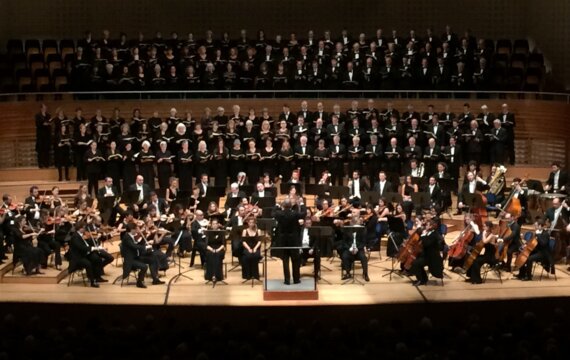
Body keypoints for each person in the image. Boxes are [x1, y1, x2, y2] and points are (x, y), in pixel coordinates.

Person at [274, 198, 306, 284]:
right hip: (294, 240)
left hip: (283, 240)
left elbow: (273, 213)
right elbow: (303, 214)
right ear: (291, 205)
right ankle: (296, 279)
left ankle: (287, 280)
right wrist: (302, 204)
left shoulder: (279, 213)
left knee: (285, 261)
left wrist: (277, 206)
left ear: (283, 205)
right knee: (295, 260)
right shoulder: (294, 213)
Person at [67, 221, 105, 288]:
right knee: (88, 263)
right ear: (80, 228)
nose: (85, 229)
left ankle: (96, 277)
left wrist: (95, 248)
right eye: (84, 228)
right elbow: (81, 247)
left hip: (82, 254)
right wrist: (93, 248)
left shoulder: (80, 235)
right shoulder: (75, 237)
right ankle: (92, 282)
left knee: (96, 258)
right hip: (76, 257)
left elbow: (84, 246)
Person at [409, 218, 444, 286]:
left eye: (427, 225)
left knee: (415, 263)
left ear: (431, 226)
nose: (426, 226)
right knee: (415, 261)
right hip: (427, 255)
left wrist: (423, 235)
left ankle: (421, 280)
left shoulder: (434, 234)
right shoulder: (429, 233)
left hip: (432, 258)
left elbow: (426, 244)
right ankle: (423, 279)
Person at [339, 209, 370, 281]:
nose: (353, 214)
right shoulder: (347, 227)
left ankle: (365, 273)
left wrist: (357, 248)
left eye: (355, 213)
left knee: (363, 257)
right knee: (344, 255)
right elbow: (344, 241)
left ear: (359, 216)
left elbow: (364, 241)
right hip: (349, 248)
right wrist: (350, 248)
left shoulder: (363, 228)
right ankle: (347, 273)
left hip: (359, 249)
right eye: (352, 213)